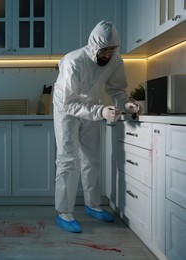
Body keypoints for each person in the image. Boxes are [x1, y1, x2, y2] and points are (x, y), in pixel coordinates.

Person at [52, 20, 141, 233]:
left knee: (92, 158)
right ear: (94, 46)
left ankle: (92, 205)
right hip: (66, 109)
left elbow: (116, 89)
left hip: (92, 105)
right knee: (68, 160)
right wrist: (101, 112)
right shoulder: (74, 61)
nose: (108, 55)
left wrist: (126, 104)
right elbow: (69, 103)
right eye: (105, 50)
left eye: (112, 50)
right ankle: (63, 212)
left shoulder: (115, 60)